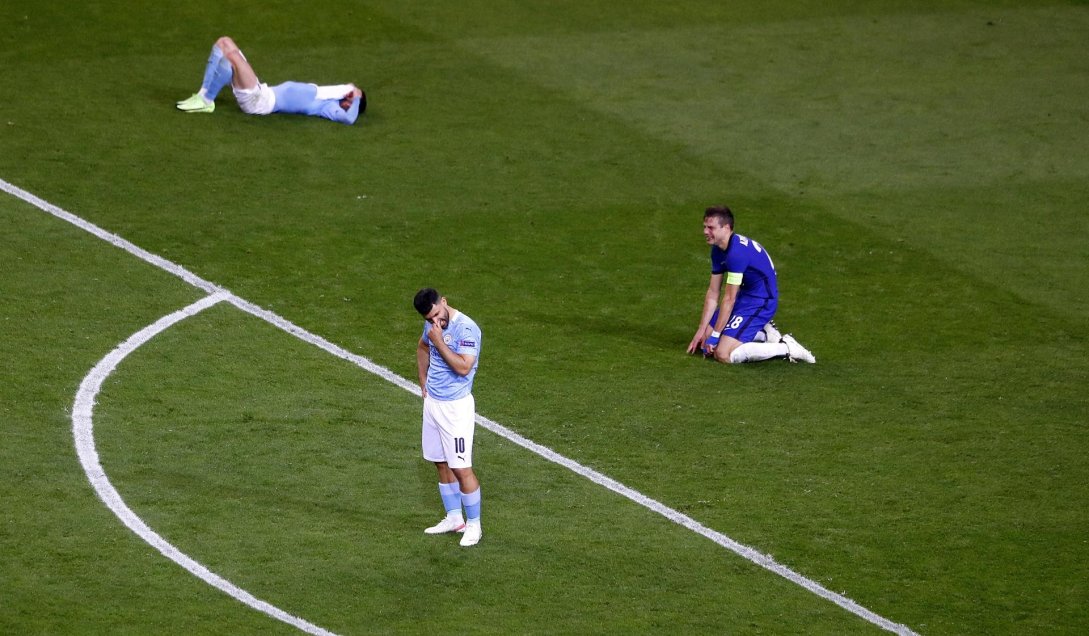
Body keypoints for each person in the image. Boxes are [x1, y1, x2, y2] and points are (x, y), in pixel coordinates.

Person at [687, 205, 817, 364]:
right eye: (705, 227)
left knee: (723, 354)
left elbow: (729, 298)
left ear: (726, 228)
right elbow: (713, 292)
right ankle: (764, 333)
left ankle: (787, 348)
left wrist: (715, 336)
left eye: (711, 228)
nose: (705, 232)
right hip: (745, 296)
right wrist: (701, 330)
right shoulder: (717, 249)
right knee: (704, 341)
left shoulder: (736, 254)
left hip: (762, 301)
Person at [414, 288, 484, 547]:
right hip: (433, 404)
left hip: (455, 408)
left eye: (437, 315)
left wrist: (440, 340)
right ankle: (455, 518)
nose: (435, 322)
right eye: (429, 319)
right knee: (440, 462)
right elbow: (422, 347)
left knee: (461, 467)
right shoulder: (432, 326)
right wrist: (423, 380)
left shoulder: (466, 329)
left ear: (443, 302)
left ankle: (474, 525)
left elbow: (464, 367)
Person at [176, 36, 365, 125]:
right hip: (262, 92)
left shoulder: (328, 108)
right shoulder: (327, 94)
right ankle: (202, 94)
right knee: (224, 43)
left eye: (351, 99)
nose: (348, 97)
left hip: (260, 103)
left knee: (231, 58)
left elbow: (348, 119)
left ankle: (207, 102)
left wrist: (357, 97)